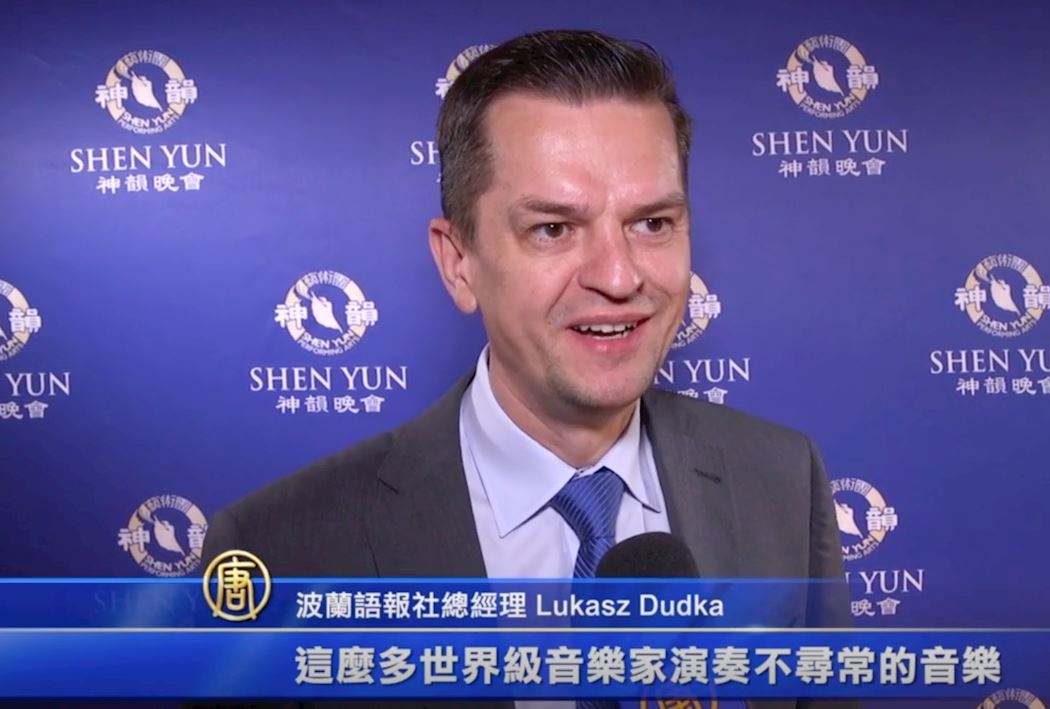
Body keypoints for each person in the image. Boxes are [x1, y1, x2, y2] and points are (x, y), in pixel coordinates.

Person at [203, 29, 851, 708]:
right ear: (459, 262)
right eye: (553, 229)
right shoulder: (279, 553)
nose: (618, 276)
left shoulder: (783, 478)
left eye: (652, 223)